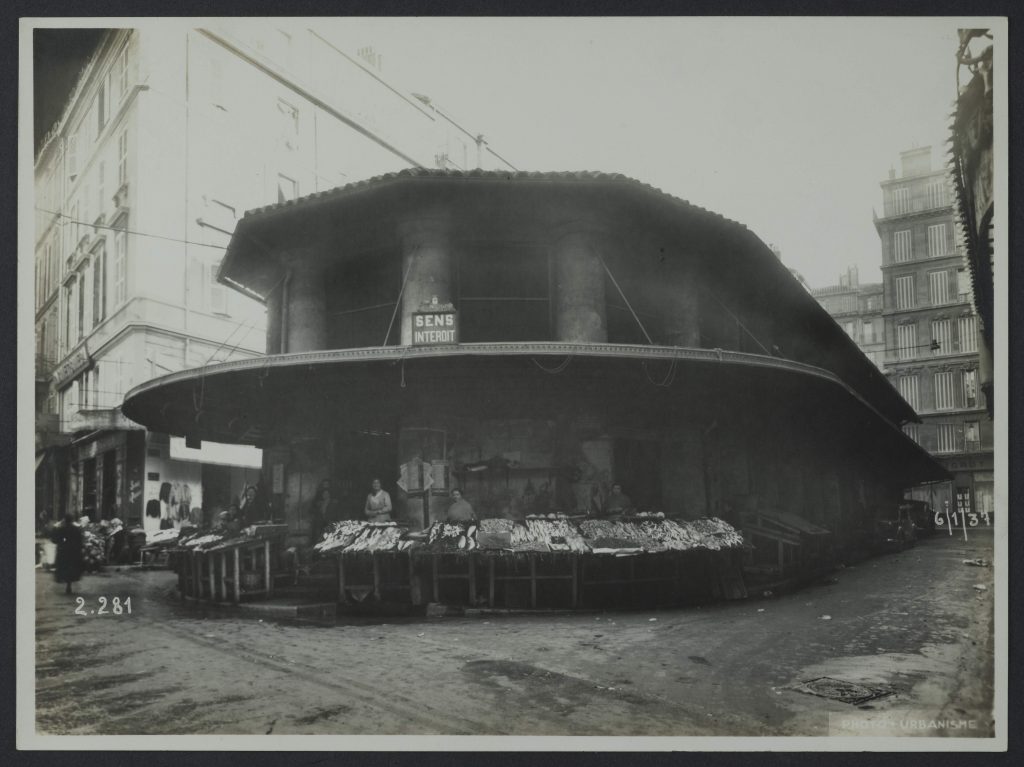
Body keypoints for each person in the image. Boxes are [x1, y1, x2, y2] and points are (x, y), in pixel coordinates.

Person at [50, 514, 84, 594]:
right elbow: (80, 541)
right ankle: (69, 584)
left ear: (65, 520)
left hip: (64, 551)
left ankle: (67, 583)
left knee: (65, 566)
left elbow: (54, 539)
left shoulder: (62, 529)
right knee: (71, 567)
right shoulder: (76, 529)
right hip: (73, 551)